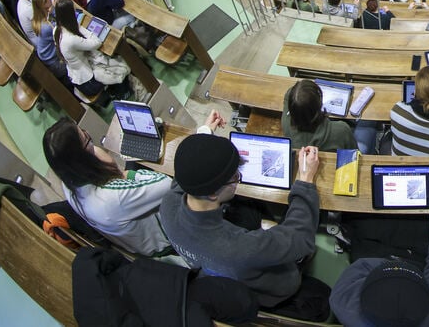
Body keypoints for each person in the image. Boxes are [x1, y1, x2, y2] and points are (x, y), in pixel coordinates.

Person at [160, 133, 323, 312]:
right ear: (213, 194)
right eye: (235, 177)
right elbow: (301, 238)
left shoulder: (167, 206)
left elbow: (184, 176)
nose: (238, 178)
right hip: (276, 290)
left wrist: (204, 136)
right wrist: (305, 181)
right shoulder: (240, 247)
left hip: (218, 271)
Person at [42, 113, 224, 256]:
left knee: (142, 147)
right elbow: (167, 184)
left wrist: (120, 172)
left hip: (136, 229)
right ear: (81, 160)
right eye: (87, 140)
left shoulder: (69, 183)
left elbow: (102, 160)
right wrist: (203, 134)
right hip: (168, 238)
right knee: (198, 175)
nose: (91, 138)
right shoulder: (110, 199)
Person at [329, 180, 429, 327]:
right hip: (418, 262)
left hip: (377, 258)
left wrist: (392, 265)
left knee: (361, 225)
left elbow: (361, 265)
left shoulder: (343, 302)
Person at [54, 0, 130, 100]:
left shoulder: (56, 30)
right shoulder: (70, 40)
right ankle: (122, 93)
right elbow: (96, 43)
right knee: (120, 65)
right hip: (88, 83)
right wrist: (81, 28)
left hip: (76, 74)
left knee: (104, 58)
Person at [280, 79, 357, 151]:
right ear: (319, 104)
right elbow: (354, 152)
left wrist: (298, 92)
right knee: (365, 124)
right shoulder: (342, 130)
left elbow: (289, 95)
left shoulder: (286, 122)